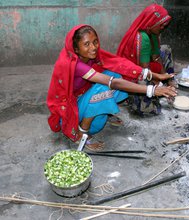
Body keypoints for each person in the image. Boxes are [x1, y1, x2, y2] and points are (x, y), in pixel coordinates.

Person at [47, 24, 177, 151]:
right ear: (75, 49)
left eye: (95, 42)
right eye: (87, 44)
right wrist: (152, 90)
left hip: (82, 97)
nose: (93, 47)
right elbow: (113, 83)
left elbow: (119, 64)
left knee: (116, 72)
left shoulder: (90, 55)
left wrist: (154, 75)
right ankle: (82, 132)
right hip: (71, 110)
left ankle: (105, 111)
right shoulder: (76, 65)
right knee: (103, 88)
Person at [117, 4, 176, 115]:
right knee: (150, 110)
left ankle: (168, 83)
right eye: (161, 25)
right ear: (152, 22)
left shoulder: (152, 33)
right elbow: (144, 70)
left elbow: (156, 58)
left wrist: (167, 79)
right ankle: (134, 100)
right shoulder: (143, 38)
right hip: (134, 73)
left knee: (165, 49)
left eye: (164, 25)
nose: (162, 28)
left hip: (146, 66)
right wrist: (160, 87)